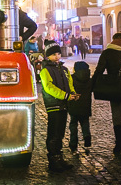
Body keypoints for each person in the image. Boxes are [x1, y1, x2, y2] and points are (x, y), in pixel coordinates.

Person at [39, 40, 79, 172]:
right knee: (54, 133)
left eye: (58, 54)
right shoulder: (45, 70)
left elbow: (69, 83)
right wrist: (65, 95)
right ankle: (53, 160)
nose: (57, 56)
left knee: (60, 133)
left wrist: (72, 93)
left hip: (63, 104)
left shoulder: (64, 69)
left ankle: (59, 157)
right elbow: (49, 87)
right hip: (53, 105)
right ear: (47, 56)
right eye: (54, 54)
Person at [67, 61, 92, 154]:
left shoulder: (72, 79)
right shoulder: (89, 80)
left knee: (73, 125)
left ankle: (73, 144)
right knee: (85, 122)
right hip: (85, 106)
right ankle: (86, 136)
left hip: (74, 106)